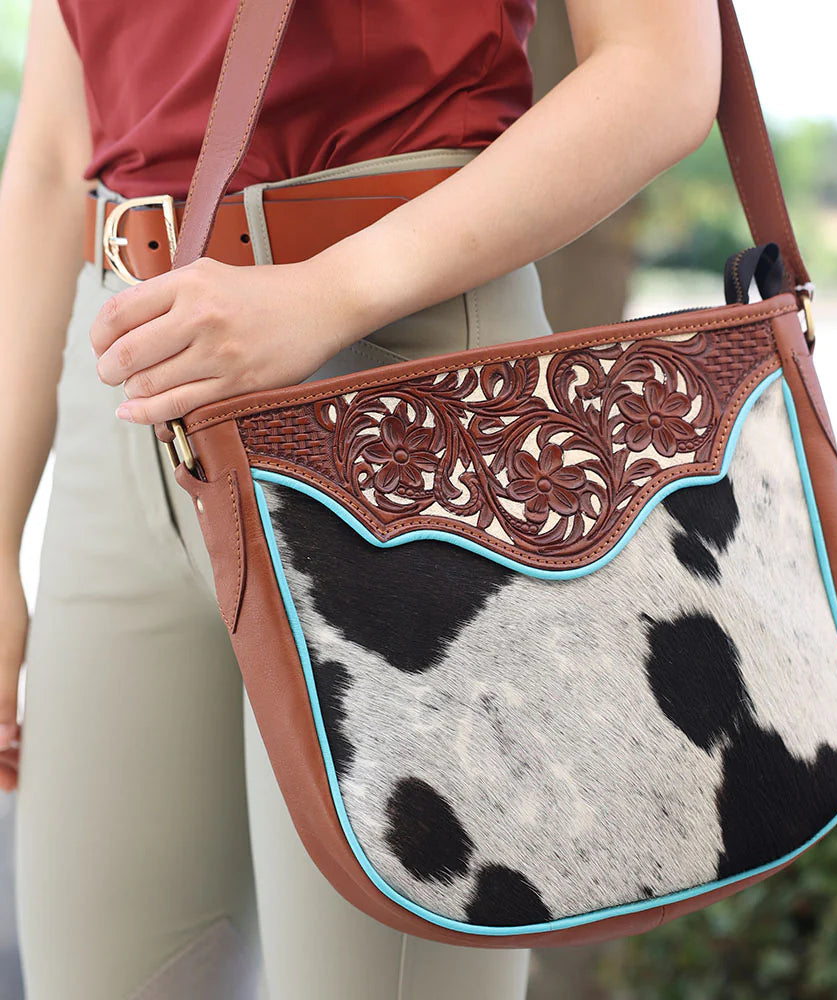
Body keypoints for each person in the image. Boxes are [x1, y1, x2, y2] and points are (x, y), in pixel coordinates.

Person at [0, 0, 722, 996]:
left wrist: (331, 292)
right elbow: (50, 152)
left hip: (401, 391)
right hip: (124, 387)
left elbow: (660, 70)